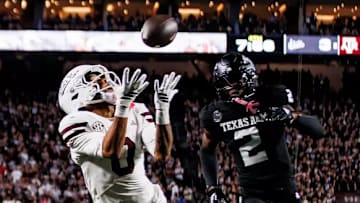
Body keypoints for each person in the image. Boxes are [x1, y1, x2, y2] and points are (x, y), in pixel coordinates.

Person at [199, 53, 324, 203]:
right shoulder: (216, 114)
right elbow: (206, 150)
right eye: (226, 83)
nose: (232, 87)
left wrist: (291, 117)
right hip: (253, 194)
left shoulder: (270, 96)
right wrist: (212, 187)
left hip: (284, 190)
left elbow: (318, 130)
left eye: (236, 81)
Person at [57, 64, 181, 203]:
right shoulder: (74, 121)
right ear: (76, 94)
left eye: (105, 78)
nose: (107, 82)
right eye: (98, 81)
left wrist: (162, 110)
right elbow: (110, 150)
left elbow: (161, 154)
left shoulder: (136, 110)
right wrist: (123, 106)